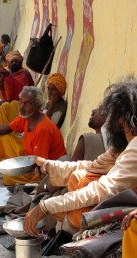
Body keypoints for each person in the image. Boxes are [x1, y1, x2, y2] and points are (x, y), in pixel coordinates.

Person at [23, 76, 137, 237]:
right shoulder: (121, 147)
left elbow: (103, 189)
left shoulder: (135, 146)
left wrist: (46, 206)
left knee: (83, 182)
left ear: (122, 119)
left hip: (129, 215)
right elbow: (92, 166)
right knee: (80, 176)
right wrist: (48, 166)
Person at [0, 86, 66, 185]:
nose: (21, 106)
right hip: (31, 156)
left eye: (27, 103)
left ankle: (3, 169)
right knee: (4, 138)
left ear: (37, 106)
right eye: (21, 101)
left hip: (45, 168)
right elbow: (8, 128)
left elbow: (40, 164)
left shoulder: (42, 130)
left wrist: (7, 168)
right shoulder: (27, 116)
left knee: (9, 178)